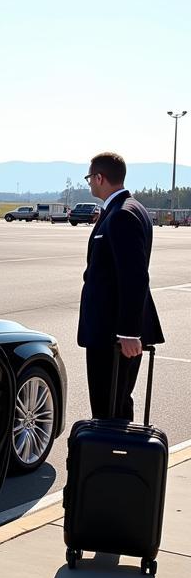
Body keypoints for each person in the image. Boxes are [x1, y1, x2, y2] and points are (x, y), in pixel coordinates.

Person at [78, 152, 164, 420]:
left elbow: (134, 276)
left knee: (109, 407)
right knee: (116, 404)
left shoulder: (123, 215)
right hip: (113, 331)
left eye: (90, 177)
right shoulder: (128, 209)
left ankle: (112, 460)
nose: (90, 183)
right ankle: (115, 459)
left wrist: (128, 332)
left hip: (113, 334)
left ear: (100, 178)